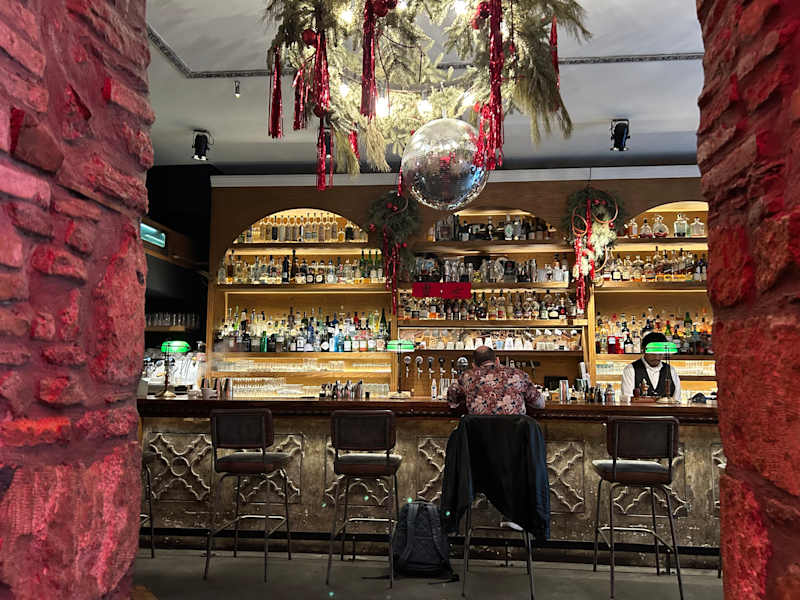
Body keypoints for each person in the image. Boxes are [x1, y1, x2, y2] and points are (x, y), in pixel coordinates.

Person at [447, 346, 544, 415]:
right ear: (497, 360)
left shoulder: (467, 376)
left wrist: (463, 399)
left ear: (474, 365)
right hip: (514, 435)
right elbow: (540, 404)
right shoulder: (519, 375)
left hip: (479, 435)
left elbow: (452, 393)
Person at [620, 332, 681, 402]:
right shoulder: (630, 369)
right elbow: (627, 400)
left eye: (660, 353)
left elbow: (677, 399)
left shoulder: (671, 370)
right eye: (653, 353)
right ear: (643, 350)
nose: (657, 357)